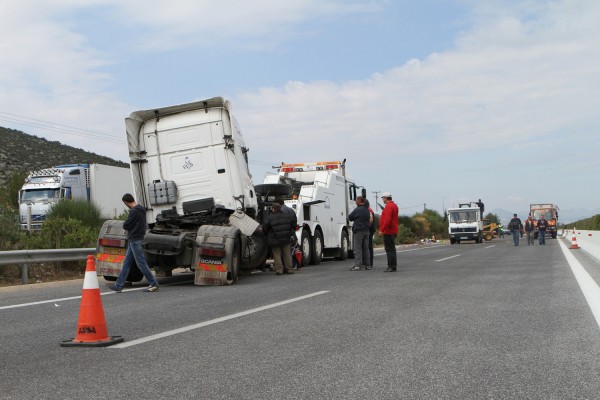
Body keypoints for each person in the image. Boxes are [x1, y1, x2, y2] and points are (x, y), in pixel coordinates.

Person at [108, 193, 160, 293]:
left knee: (141, 263)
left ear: (126, 202)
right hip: (136, 238)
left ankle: (154, 283)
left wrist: (125, 224)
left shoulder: (134, 211)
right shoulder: (141, 209)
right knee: (127, 263)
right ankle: (118, 285)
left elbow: (126, 225)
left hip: (134, 239)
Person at [262, 202, 296, 275]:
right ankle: (289, 269)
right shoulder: (286, 216)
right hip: (286, 238)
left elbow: (265, 228)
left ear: (273, 209)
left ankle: (279, 270)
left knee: (277, 255)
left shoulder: (270, 217)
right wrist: (289, 233)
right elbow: (293, 224)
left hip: (275, 239)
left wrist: (268, 234)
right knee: (287, 254)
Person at [348, 196, 371, 271]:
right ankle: (367, 265)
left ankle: (358, 265)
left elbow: (350, 217)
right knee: (366, 248)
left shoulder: (357, 210)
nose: (355, 201)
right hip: (366, 230)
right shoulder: (367, 210)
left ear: (359, 201)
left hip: (358, 231)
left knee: (357, 248)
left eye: (356, 200)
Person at [379, 192, 399, 272]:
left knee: (389, 249)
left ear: (385, 198)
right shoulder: (394, 206)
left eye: (383, 198)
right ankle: (393, 266)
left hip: (389, 231)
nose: (383, 200)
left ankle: (391, 266)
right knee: (392, 249)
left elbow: (387, 220)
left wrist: (382, 230)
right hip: (393, 230)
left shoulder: (389, 207)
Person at [364, 198, 376, 270]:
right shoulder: (370, 209)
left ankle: (369, 263)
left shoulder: (368, 210)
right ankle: (369, 262)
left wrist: (367, 226)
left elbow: (371, 219)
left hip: (369, 230)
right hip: (371, 229)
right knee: (369, 246)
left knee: (368, 246)